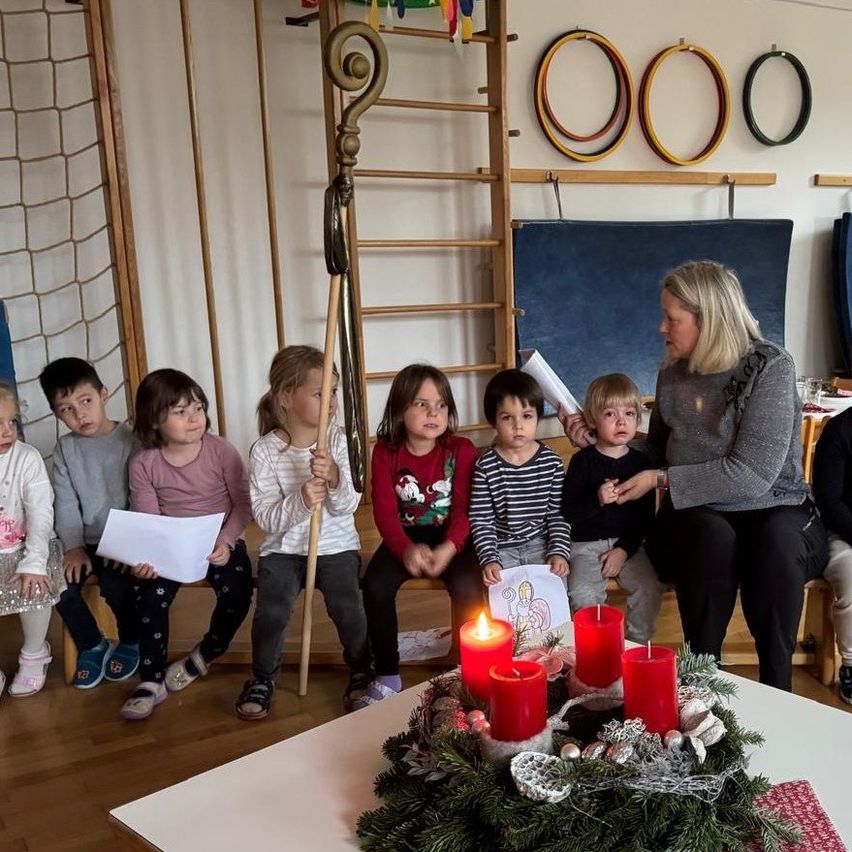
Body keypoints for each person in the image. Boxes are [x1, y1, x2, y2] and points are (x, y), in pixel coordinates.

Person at [562, 260, 827, 691]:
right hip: (698, 515)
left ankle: (778, 685)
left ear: (709, 320)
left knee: (777, 542)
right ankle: (703, 679)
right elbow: (659, 450)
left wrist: (661, 480)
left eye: (672, 318)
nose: (662, 327)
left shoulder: (771, 367)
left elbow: (752, 474)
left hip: (775, 505)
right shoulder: (672, 370)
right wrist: (603, 442)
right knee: (710, 537)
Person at [235, 346, 371, 720]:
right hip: (282, 551)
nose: (330, 401)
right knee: (272, 611)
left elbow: (347, 506)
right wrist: (301, 500)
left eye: (333, 391)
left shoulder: (340, 441)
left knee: (347, 606)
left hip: (337, 546)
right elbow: (265, 518)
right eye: (318, 392)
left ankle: (362, 670)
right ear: (285, 398)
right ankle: (262, 678)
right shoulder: (266, 451)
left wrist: (335, 478)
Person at [121, 369, 253, 720]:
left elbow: (243, 505)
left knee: (236, 591)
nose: (194, 417)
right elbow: (148, 520)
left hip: (220, 540)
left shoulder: (221, 450)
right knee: (149, 597)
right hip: (172, 545)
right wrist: (146, 559)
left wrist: (226, 542)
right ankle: (150, 679)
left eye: (197, 407)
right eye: (179, 412)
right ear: (154, 420)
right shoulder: (144, 463)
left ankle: (206, 653)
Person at [358, 364, 484, 707]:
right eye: (422, 404)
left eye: (441, 405)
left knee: (469, 587)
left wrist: (450, 547)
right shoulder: (385, 451)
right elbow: (384, 512)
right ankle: (386, 672)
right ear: (400, 410)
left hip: (451, 535)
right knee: (375, 585)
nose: (434, 413)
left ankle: (467, 668)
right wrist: (404, 549)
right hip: (406, 536)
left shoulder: (461, 449)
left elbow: (464, 510)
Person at [39, 357, 140, 688]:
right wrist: (75, 547)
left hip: (124, 538)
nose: (80, 414)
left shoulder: (131, 440)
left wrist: (125, 543)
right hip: (84, 540)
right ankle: (93, 644)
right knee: (55, 583)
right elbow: (65, 503)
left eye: (86, 401)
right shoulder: (66, 449)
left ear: (104, 394)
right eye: (66, 409)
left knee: (115, 584)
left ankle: (130, 640)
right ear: (56, 414)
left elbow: (141, 497)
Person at [560, 373, 664, 644]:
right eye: (610, 414)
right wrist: (597, 499)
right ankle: (598, 648)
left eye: (629, 413)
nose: (621, 421)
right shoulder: (582, 462)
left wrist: (623, 549)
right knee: (582, 595)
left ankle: (637, 646)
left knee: (649, 587)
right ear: (593, 420)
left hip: (629, 545)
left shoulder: (641, 464)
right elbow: (568, 512)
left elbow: (645, 520)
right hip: (585, 545)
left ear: (638, 420)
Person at [469, 369, 570, 588]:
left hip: (542, 545)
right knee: (501, 601)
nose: (518, 425)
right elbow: (482, 520)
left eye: (527, 416)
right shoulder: (485, 466)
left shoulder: (551, 462)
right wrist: (490, 558)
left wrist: (558, 552)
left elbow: (558, 514)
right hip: (502, 548)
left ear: (537, 417)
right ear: (493, 420)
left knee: (556, 595)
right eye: (507, 417)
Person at [0, 381, 64, 698]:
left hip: (28, 546)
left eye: (12, 422)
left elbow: (40, 513)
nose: (7, 432)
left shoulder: (27, 458)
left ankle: (34, 652)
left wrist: (34, 561)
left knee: (33, 586)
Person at [811, 409, 852, 704]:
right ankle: (851, 663)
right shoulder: (840, 429)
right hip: (842, 531)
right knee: (850, 573)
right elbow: (829, 500)